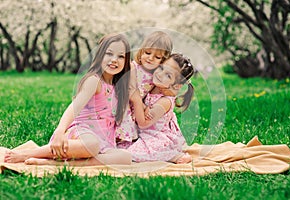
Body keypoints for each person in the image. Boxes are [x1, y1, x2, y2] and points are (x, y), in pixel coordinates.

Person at [4, 33, 132, 165]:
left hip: (103, 141)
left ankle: (57, 164)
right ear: (100, 55)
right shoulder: (94, 81)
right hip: (82, 133)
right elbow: (74, 107)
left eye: (121, 56)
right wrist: (60, 131)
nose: (114, 60)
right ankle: (27, 154)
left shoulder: (117, 87)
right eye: (109, 53)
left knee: (125, 157)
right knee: (92, 145)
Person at [127, 53, 195, 164]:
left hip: (157, 138)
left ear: (177, 85)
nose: (160, 74)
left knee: (131, 155)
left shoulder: (165, 101)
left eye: (168, 75)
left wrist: (136, 100)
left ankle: (174, 156)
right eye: (161, 68)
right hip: (143, 134)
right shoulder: (153, 86)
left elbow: (143, 123)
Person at [116, 31, 173, 148]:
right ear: (141, 51)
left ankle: (125, 147)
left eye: (157, 57)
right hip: (123, 102)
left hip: (135, 108)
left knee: (130, 135)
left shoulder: (156, 76)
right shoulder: (133, 67)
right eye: (147, 52)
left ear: (163, 61)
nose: (150, 58)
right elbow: (131, 90)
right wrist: (145, 108)